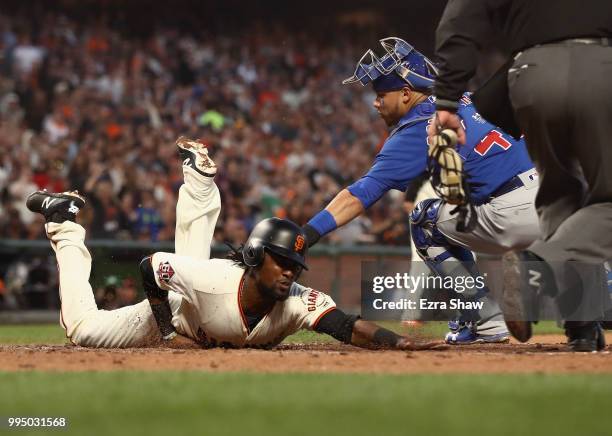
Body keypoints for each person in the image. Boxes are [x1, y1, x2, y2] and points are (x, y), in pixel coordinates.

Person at [25, 137, 438, 350]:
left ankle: (201, 185)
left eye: (294, 263)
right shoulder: (214, 280)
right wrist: (166, 329)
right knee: (83, 330)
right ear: (257, 258)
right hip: (179, 308)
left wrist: (399, 342)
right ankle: (65, 225)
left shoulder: (296, 300)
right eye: (281, 262)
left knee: (190, 262)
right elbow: (151, 267)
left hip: (198, 298)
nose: (290, 271)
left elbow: (347, 327)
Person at [302, 37, 539, 344]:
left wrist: (308, 233)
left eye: (381, 94)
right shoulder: (463, 100)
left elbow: (360, 194)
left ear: (405, 93)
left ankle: (485, 319)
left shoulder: (417, 128)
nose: (375, 102)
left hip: (509, 215)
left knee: (423, 219)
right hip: (552, 202)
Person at [430, 0, 612, 351]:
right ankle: (537, 265)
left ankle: (581, 326)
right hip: (601, 64)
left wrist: (448, 101)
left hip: (529, 73)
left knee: (559, 194)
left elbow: (460, 19)